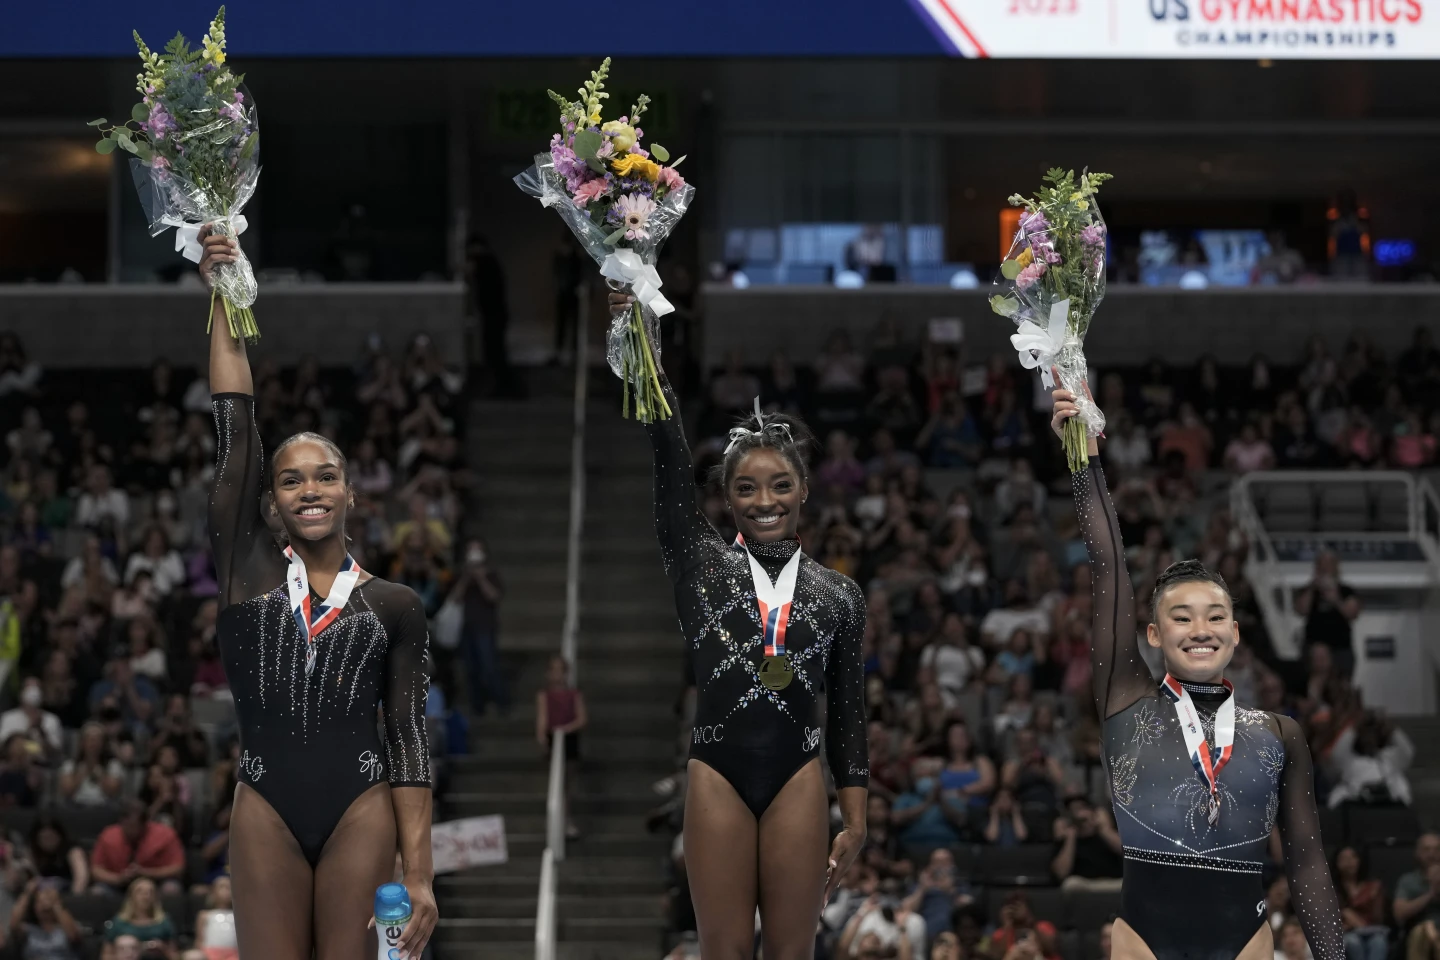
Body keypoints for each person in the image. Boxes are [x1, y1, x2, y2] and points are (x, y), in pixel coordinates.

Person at [198, 229, 437, 960]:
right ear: (269, 503)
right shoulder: (247, 574)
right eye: (291, 479)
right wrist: (223, 287)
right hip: (265, 805)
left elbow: (407, 738)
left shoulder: (394, 605)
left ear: (350, 493)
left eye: (325, 476)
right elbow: (235, 427)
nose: (309, 489)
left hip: (361, 807)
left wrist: (420, 876)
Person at [614, 289, 868, 959]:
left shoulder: (838, 595)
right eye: (748, 488)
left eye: (780, 485)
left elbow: (847, 713)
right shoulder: (699, 567)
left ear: (804, 491)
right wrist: (640, 340)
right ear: (726, 497)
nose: (766, 501)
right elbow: (667, 452)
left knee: (791, 953)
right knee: (722, 951)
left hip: (797, 775)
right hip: (718, 772)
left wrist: (859, 818)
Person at [1052, 379, 1344, 960]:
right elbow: (1108, 566)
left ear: (1236, 634)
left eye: (1216, 616)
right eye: (1181, 617)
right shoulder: (1125, 700)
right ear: (1154, 634)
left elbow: (1308, 862)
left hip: (1245, 941)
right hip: (1142, 939)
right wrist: (1084, 460)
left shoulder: (1278, 733)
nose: (1201, 629)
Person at [450, 538, 508, 715]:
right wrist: (467, 578)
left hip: (485, 626)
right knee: (471, 669)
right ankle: (478, 705)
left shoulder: (492, 574)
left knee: (489, 666)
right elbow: (455, 598)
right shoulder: (461, 574)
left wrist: (481, 578)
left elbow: (494, 596)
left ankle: (500, 702)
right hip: (466, 627)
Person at [536, 654, 586, 840]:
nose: (557, 675)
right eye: (553, 670)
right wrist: (543, 738)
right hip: (553, 739)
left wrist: (565, 729)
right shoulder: (544, 695)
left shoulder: (574, 694)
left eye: (561, 670)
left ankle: (567, 820)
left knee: (568, 784)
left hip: (569, 739)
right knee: (555, 782)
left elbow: (582, 718)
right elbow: (542, 719)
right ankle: (556, 819)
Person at [89, 801, 185, 896]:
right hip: (118, 884)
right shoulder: (108, 836)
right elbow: (96, 871)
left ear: (145, 824)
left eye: (133, 826)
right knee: (97, 891)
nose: (129, 830)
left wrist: (146, 872)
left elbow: (177, 868)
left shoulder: (166, 835)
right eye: (125, 825)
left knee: (171, 889)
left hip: (155, 884)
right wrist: (119, 878)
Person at [1295, 550, 1361, 679]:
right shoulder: (1308, 590)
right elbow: (1301, 610)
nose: (1325, 568)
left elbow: (1352, 613)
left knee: (1341, 686)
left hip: (1340, 649)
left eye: (1329, 564)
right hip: (1313, 649)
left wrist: (1335, 599)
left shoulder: (1346, 591)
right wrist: (1313, 587)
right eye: (1321, 564)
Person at [1331, 846, 1388, 960]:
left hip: (1371, 931)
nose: (1349, 862)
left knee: (1379, 942)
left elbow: (1379, 918)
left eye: (1353, 857)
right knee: (1353, 942)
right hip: (1345, 933)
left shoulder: (1373, 887)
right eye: (1344, 859)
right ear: (1336, 863)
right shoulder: (1330, 889)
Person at [102, 878, 176, 960]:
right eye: (140, 892)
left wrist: (162, 949)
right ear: (131, 896)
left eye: (150, 892)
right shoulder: (119, 923)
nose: (145, 896)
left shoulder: (163, 922)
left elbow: (174, 955)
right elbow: (106, 955)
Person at [9, 878, 82, 960]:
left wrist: (56, 904)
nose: (44, 905)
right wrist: (28, 893)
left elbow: (73, 935)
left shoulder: (64, 929)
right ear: (34, 908)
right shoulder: (29, 931)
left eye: (48, 900)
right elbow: (13, 924)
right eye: (39, 902)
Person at [24, 816, 89, 894]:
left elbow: (81, 878)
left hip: (69, 892)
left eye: (51, 837)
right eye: (43, 838)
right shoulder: (34, 852)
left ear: (59, 835)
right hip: (44, 896)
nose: (48, 842)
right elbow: (33, 878)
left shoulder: (73, 851)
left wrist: (73, 900)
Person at [191, 875, 238, 960]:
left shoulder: (237, 916)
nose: (225, 891)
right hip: (210, 953)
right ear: (213, 892)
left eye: (228, 888)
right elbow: (199, 939)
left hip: (233, 953)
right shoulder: (205, 915)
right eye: (221, 887)